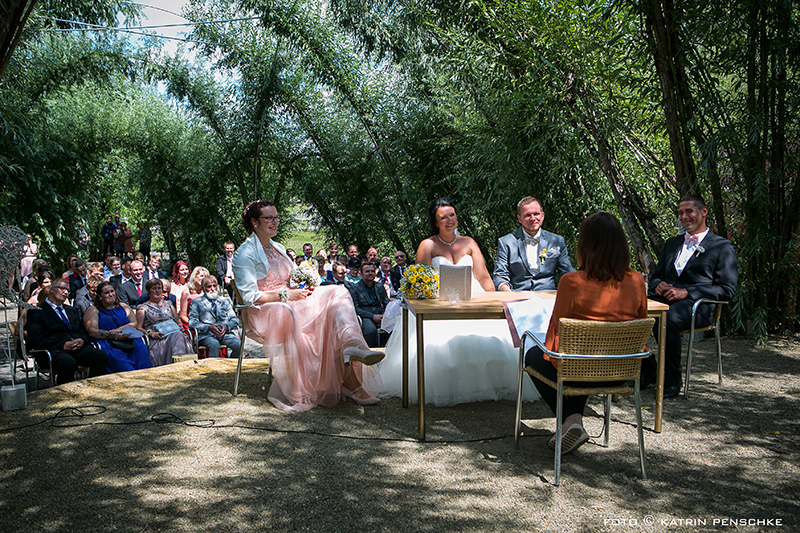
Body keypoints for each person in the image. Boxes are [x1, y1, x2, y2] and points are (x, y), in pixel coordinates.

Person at [378, 197, 540, 405]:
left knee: (494, 344)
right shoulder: (427, 245)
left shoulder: (469, 242)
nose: (449, 220)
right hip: (440, 303)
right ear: (435, 222)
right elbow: (420, 281)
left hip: (473, 299)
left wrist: (496, 302)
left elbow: (482, 277)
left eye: (452, 215)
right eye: (443, 217)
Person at [231, 200, 384, 412]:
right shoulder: (244, 254)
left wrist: (306, 285)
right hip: (269, 310)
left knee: (337, 292)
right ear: (255, 222)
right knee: (322, 318)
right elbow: (249, 297)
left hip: (293, 301)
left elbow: (291, 279)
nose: (275, 222)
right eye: (270, 218)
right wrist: (287, 294)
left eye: (277, 217)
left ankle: (351, 346)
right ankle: (350, 383)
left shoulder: (278, 247)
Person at [524, 212, 648, 454]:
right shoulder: (637, 281)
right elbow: (640, 325)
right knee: (582, 361)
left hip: (579, 370)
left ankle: (570, 420)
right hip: (621, 371)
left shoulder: (571, 282)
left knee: (533, 355)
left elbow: (556, 335)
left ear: (585, 244)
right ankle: (573, 420)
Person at [646, 194, 738, 398]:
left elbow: (727, 289)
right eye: (680, 212)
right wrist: (658, 285)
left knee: (665, 319)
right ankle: (648, 366)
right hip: (665, 301)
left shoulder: (722, 247)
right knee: (628, 309)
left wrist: (688, 291)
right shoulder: (672, 244)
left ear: (703, 212)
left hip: (698, 306)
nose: (684, 217)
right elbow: (656, 277)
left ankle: (671, 380)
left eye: (689, 211)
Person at [24, 277, 108, 385]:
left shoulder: (71, 310)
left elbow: (82, 330)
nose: (65, 292)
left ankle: (90, 387)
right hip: (53, 350)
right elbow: (36, 340)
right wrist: (63, 345)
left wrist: (81, 340)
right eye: (62, 289)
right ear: (52, 290)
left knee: (101, 357)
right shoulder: (37, 312)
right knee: (68, 363)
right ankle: (63, 394)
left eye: (67, 290)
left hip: (76, 349)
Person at [494, 196, 574, 291]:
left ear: (542, 216)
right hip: (518, 298)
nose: (533, 218)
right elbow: (500, 275)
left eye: (536, 214)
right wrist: (505, 290)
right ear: (519, 218)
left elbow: (567, 273)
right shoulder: (506, 242)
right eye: (527, 215)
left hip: (549, 298)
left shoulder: (556, 241)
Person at [84, 281, 151, 373]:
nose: (110, 294)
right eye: (106, 293)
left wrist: (118, 331)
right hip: (108, 342)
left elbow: (134, 323)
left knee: (140, 349)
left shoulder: (123, 306)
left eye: (112, 291)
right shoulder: (93, 310)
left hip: (127, 338)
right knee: (122, 363)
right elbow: (92, 331)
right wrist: (112, 335)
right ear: (99, 295)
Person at [136, 278, 193, 367]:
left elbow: (178, 321)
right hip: (158, 339)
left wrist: (180, 326)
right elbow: (138, 328)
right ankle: (181, 366)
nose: (157, 291)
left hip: (174, 334)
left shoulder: (169, 304)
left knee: (178, 335)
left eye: (159, 288)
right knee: (178, 336)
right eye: (154, 288)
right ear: (149, 291)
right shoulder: (142, 308)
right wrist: (151, 334)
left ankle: (180, 366)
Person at [188, 276, 241, 359]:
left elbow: (234, 319)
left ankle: (232, 368)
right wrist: (208, 327)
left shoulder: (225, 301)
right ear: (203, 288)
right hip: (207, 335)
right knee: (214, 344)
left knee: (238, 344)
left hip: (224, 333)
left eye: (214, 286)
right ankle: (214, 371)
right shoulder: (196, 302)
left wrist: (226, 326)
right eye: (209, 286)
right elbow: (192, 323)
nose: (212, 289)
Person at [349, 262, 390, 347]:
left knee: (394, 328)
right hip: (366, 317)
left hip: (381, 315)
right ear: (361, 274)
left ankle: (388, 353)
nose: (370, 273)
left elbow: (387, 303)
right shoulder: (354, 289)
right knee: (371, 331)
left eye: (372, 271)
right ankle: (370, 354)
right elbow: (355, 309)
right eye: (367, 271)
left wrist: (385, 316)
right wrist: (372, 316)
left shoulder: (379, 286)